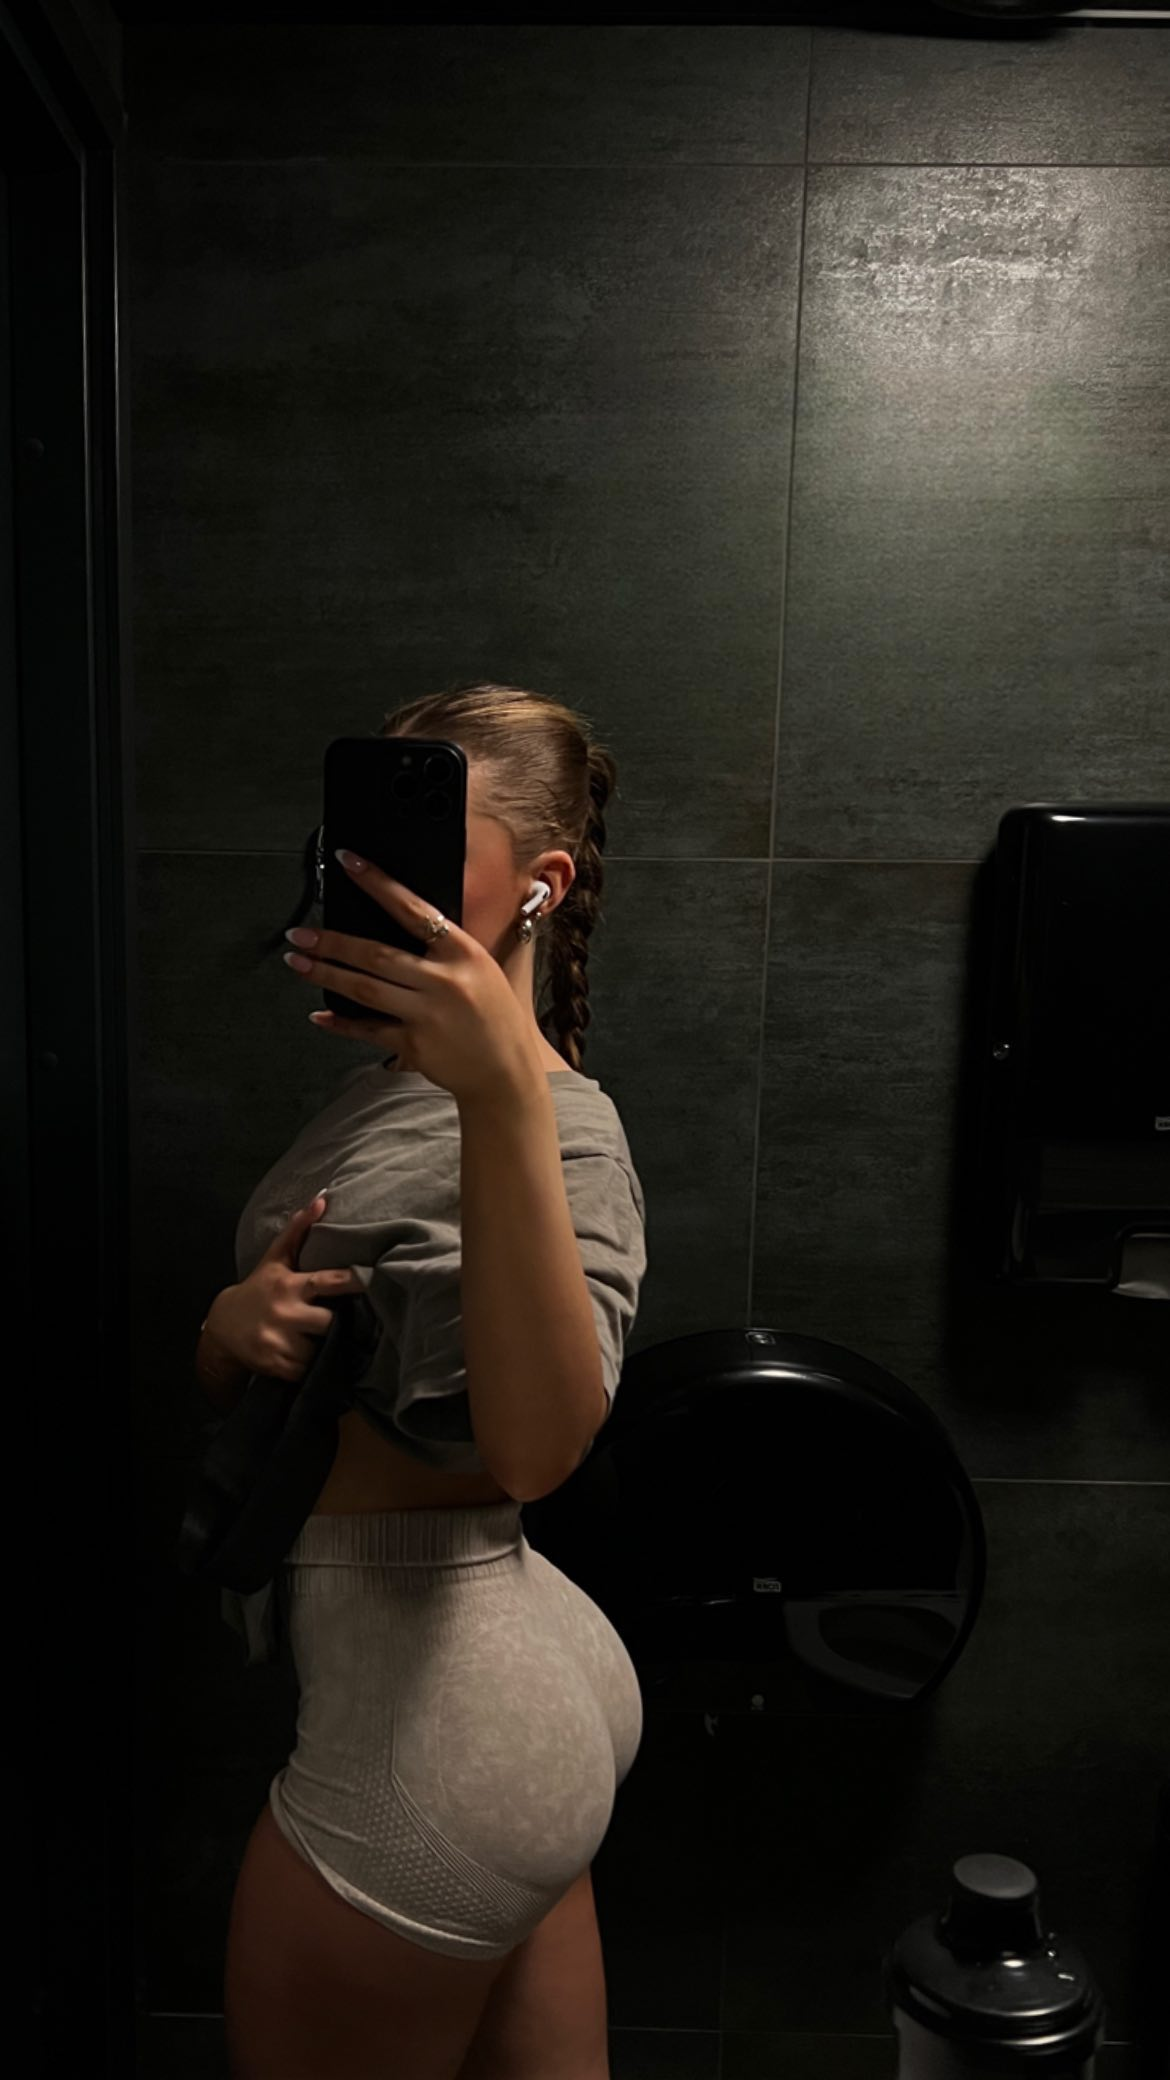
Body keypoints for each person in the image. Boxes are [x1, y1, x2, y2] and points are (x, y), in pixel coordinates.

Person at [192, 683, 649, 2079]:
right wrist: (230, 1328)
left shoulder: (561, 1129)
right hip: (478, 1692)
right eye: (357, 841)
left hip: (439, 1717)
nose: (367, 874)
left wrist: (502, 1092)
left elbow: (535, 1451)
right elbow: (307, 1378)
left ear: (542, 884)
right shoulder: (397, 1085)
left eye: (421, 845)